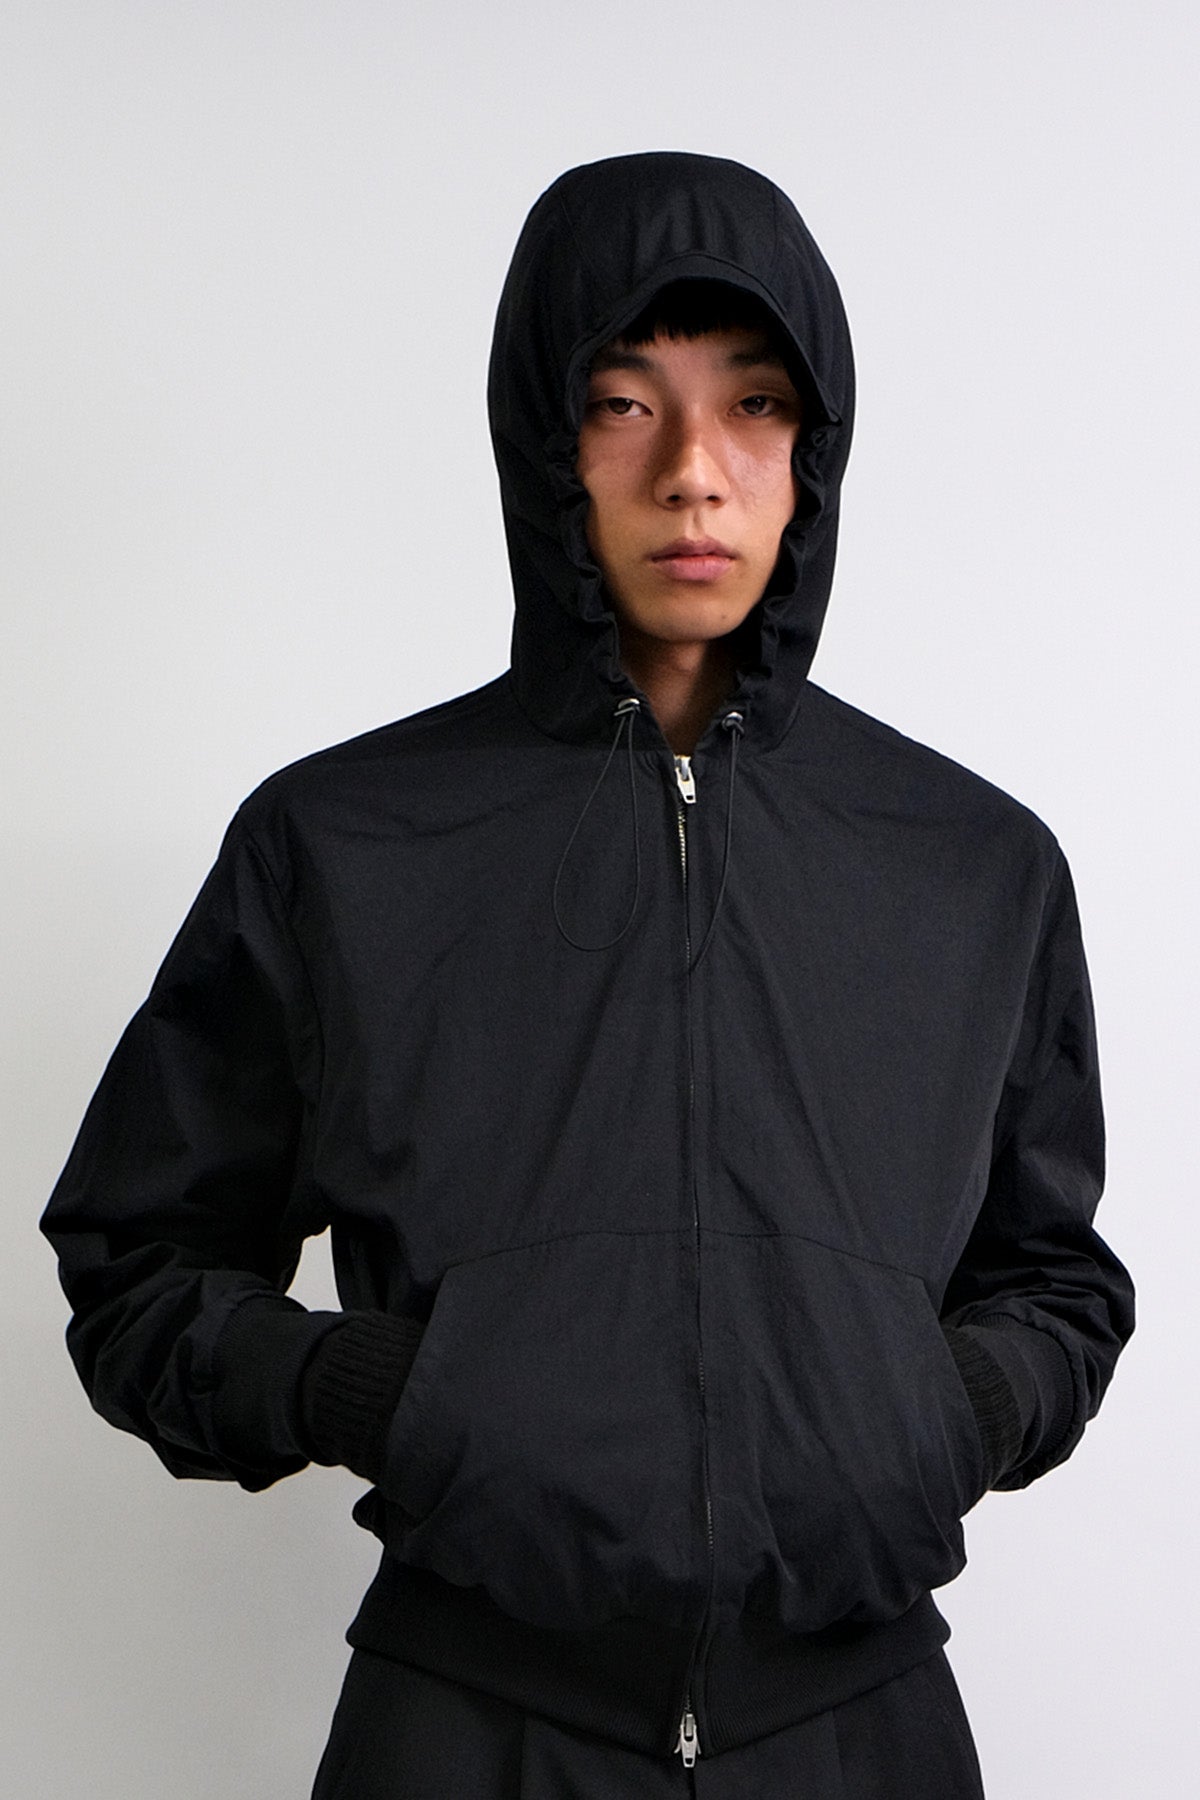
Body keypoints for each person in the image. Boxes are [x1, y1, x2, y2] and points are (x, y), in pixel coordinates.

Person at [42, 152, 1134, 1796]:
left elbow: (1056, 1281)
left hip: (858, 1734)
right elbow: (138, 1262)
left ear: (816, 448)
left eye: (754, 404)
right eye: (624, 405)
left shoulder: (972, 865)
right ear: (540, 444)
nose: (693, 474)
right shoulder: (345, 845)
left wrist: (941, 1409)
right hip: (465, 1728)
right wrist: (377, 1392)